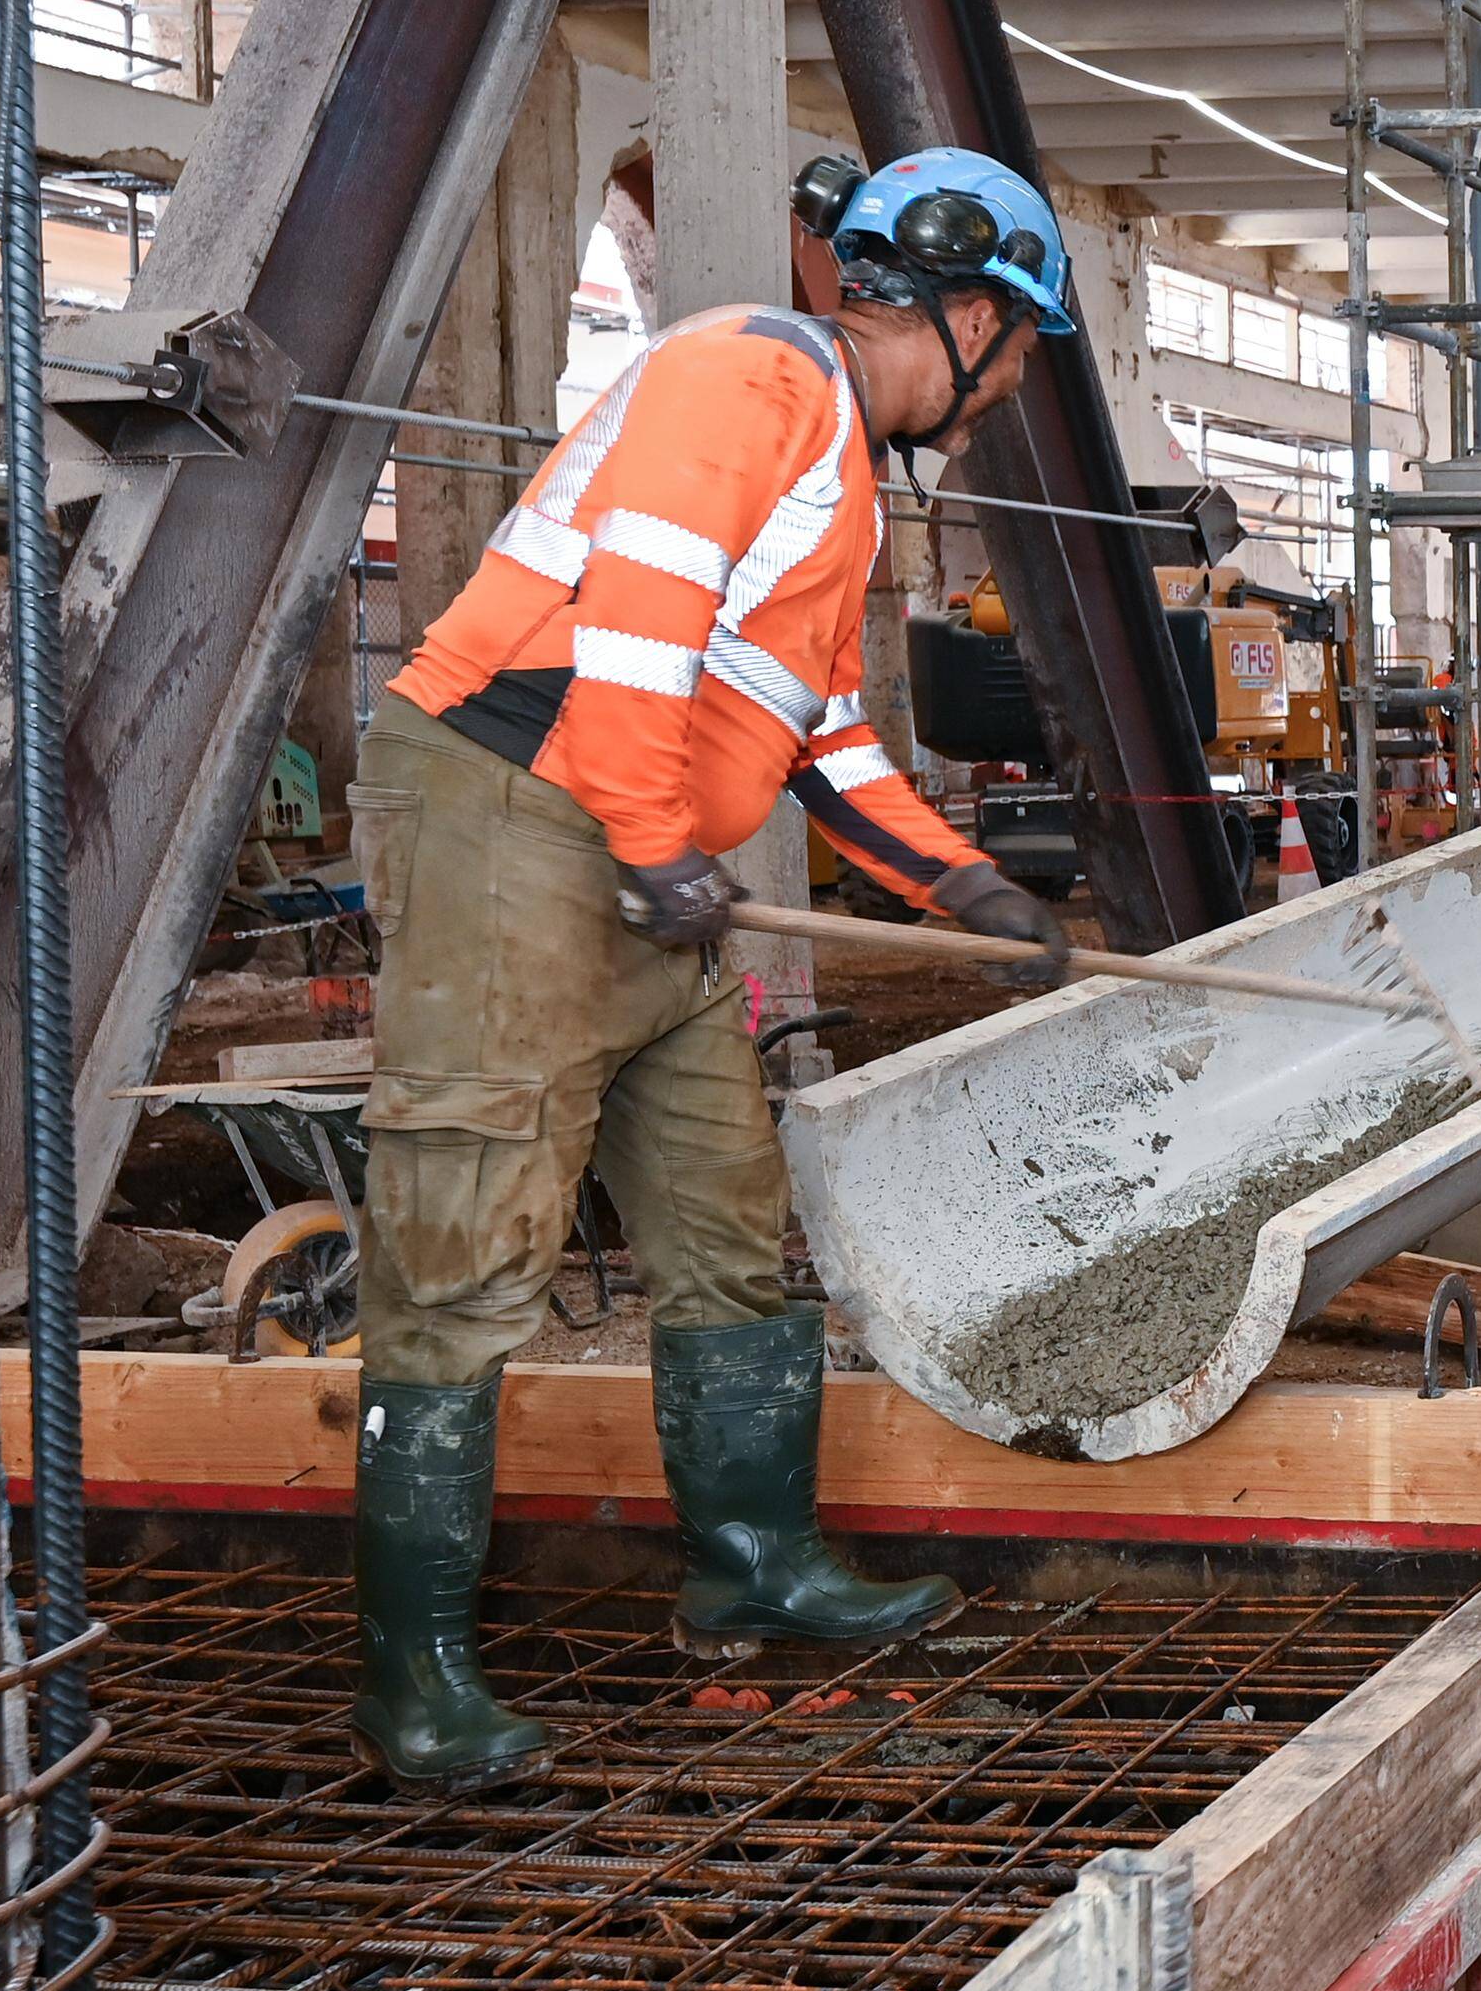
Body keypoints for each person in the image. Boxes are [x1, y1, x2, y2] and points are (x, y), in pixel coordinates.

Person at [348, 149, 1081, 1783]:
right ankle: (413, 1680)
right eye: (1022, 349)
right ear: (972, 320)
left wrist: (964, 884)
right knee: (468, 1232)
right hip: (518, 808)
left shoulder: (839, 466)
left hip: (630, 829)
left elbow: (817, 728)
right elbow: (635, 616)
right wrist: (649, 840)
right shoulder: (749, 375)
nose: (1014, 385)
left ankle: (752, 1562)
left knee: (724, 1218)